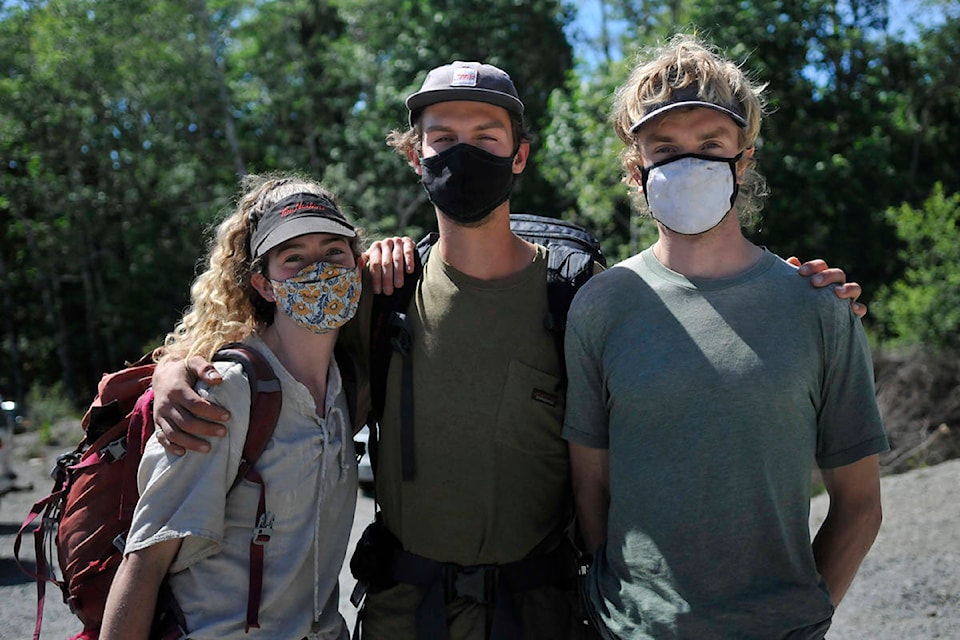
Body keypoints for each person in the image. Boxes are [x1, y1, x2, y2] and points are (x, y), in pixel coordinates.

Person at [150, 61, 868, 640]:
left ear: (520, 154)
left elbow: (700, 312)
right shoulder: (378, 290)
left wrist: (805, 295)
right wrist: (174, 370)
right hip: (408, 611)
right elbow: (268, 343)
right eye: (442, 137)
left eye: (487, 136)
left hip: (544, 609)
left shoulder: (581, 293)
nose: (463, 154)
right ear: (415, 156)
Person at [562, 35, 888, 640]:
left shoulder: (818, 307)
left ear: (743, 160)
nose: (689, 163)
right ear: (636, 168)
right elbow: (592, 486)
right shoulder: (602, 305)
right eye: (665, 148)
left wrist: (802, 617)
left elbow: (860, 504)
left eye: (710, 145)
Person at [101, 175, 366, 639]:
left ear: (357, 264)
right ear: (264, 284)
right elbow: (145, 560)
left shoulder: (350, 387)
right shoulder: (227, 392)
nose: (319, 270)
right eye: (294, 258)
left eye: (333, 251)